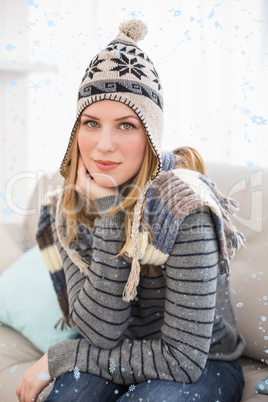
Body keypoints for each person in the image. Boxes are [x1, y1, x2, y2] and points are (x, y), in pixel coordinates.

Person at [16, 20, 246, 402]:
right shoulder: (67, 207)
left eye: (126, 125)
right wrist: (110, 213)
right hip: (110, 349)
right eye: (91, 123)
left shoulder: (184, 204)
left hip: (204, 362)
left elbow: (182, 361)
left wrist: (62, 356)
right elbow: (99, 332)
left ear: (150, 136)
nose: (103, 146)